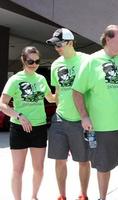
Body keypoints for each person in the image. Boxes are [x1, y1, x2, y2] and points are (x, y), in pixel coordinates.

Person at [72, 25, 118, 200]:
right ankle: (102, 197)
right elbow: (77, 91)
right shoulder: (92, 62)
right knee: (103, 167)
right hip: (103, 127)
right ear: (108, 39)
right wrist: (84, 116)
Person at [0, 46, 55, 200]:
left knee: (39, 169)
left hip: (39, 128)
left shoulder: (41, 79)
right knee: (18, 169)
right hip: (19, 128)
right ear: (23, 60)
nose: (34, 64)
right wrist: (19, 115)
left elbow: (51, 98)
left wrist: (67, 91)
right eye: (30, 61)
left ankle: (34, 196)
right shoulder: (15, 79)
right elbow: (2, 104)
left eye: (37, 61)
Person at [46, 28, 90, 200]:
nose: (57, 47)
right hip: (60, 119)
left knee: (83, 161)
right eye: (54, 45)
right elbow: (58, 92)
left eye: (59, 44)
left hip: (81, 120)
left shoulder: (86, 60)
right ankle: (62, 195)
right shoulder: (56, 64)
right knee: (59, 160)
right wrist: (57, 111)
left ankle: (83, 195)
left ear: (70, 42)